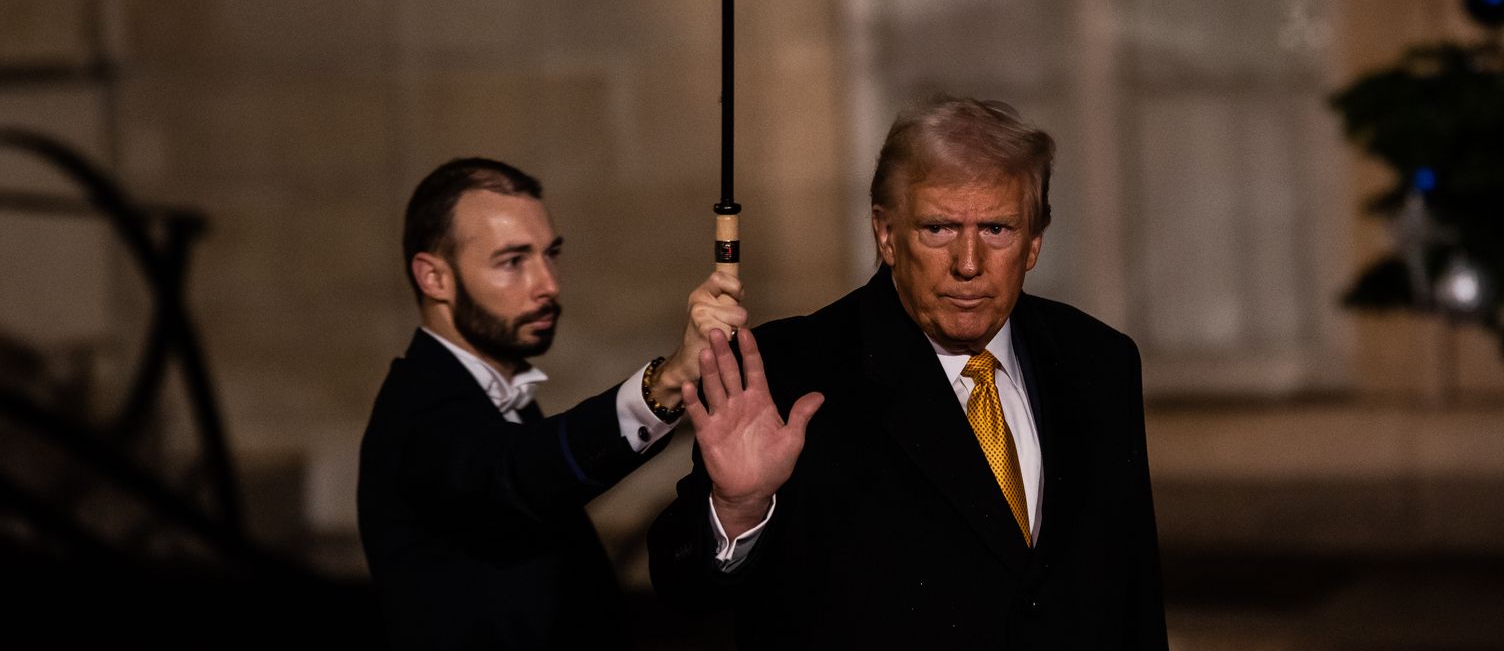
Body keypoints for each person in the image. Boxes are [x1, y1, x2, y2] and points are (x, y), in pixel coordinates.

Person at [648, 97, 1168, 649]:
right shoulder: (791, 370)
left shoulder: (1100, 363)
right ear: (886, 234)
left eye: (997, 229)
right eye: (939, 228)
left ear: (1035, 240)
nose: (968, 263)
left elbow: (1133, 598)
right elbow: (683, 590)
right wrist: (736, 510)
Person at [358, 157, 744, 649]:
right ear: (433, 277)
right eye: (513, 261)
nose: (548, 285)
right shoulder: (419, 410)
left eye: (550, 254)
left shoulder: (498, 394)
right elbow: (519, 472)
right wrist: (666, 383)